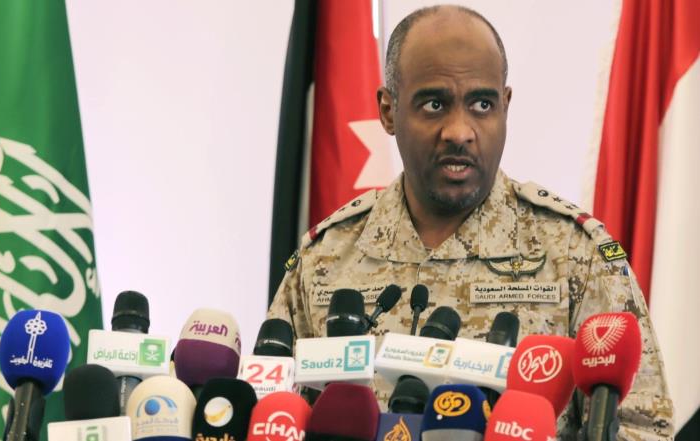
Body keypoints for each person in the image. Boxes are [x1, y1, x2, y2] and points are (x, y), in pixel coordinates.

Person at [267, 5, 673, 440]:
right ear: (388, 111)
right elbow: (272, 414)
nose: (459, 131)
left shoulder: (576, 254)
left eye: (481, 104)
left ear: (505, 107)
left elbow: (645, 429)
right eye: (434, 104)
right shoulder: (325, 256)